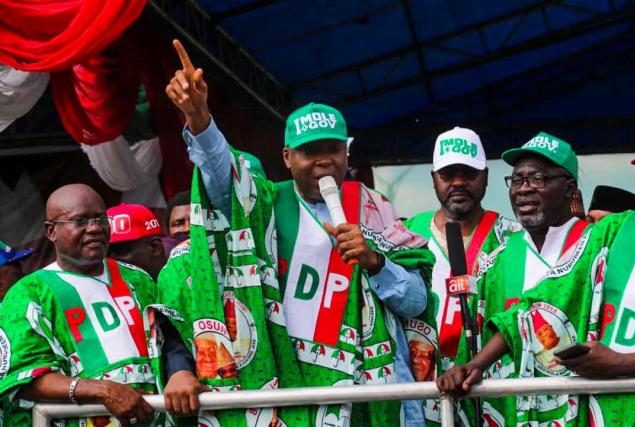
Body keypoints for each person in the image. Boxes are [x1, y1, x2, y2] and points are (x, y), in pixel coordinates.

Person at [165, 39, 435, 427]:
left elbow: (414, 302)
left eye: (333, 149)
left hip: (370, 394)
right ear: (287, 158)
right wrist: (200, 119)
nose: (324, 160)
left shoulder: (376, 209)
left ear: (347, 154)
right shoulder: (265, 204)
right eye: (310, 152)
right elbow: (223, 175)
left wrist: (376, 263)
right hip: (292, 388)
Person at [0, 184, 202, 426]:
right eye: (80, 221)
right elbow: (24, 378)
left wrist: (181, 372)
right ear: (51, 231)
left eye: (100, 219)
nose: (94, 228)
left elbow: (168, 337)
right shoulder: (29, 294)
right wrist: (103, 391)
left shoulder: (138, 279)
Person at [438, 209, 635, 426]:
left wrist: (622, 363)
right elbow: (541, 304)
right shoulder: (618, 230)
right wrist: (477, 364)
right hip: (611, 413)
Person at [447, 133, 591, 425]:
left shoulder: (595, 247)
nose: (523, 190)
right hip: (511, 414)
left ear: (569, 188)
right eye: (516, 180)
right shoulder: (495, 263)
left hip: (583, 409)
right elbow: (473, 348)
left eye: (537, 179)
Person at [404, 127, 519, 369]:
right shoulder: (406, 236)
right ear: (433, 178)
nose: (458, 182)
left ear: (486, 177)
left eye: (469, 174)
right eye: (447, 175)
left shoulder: (514, 238)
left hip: (489, 389)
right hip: (421, 387)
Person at [107, 203, 167, 281]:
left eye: (121, 251)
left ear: (155, 247)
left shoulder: (184, 280)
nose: (110, 261)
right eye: (106, 254)